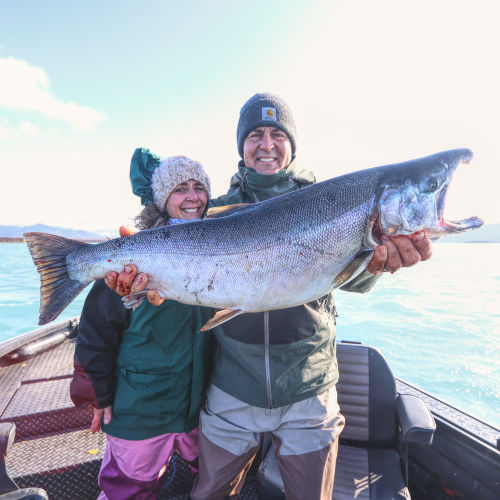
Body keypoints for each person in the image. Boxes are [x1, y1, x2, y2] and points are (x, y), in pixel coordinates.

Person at [106, 93, 432, 500]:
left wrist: (382, 263)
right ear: (242, 145)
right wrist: (143, 285)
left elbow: (354, 280)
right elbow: (177, 273)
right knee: (208, 494)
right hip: (231, 387)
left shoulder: (329, 200)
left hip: (308, 390)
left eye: (277, 134)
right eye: (255, 134)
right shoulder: (215, 210)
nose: (266, 144)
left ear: (291, 144)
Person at [70, 153, 214, 500]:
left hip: (197, 407)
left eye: (199, 188)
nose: (192, 197)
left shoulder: (224, 247)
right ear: (163, 199)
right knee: (129, 488)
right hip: (139, 408)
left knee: (203, 481)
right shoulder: (134, 257)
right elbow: (96, 330)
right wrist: (98, 394)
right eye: (180, 189)